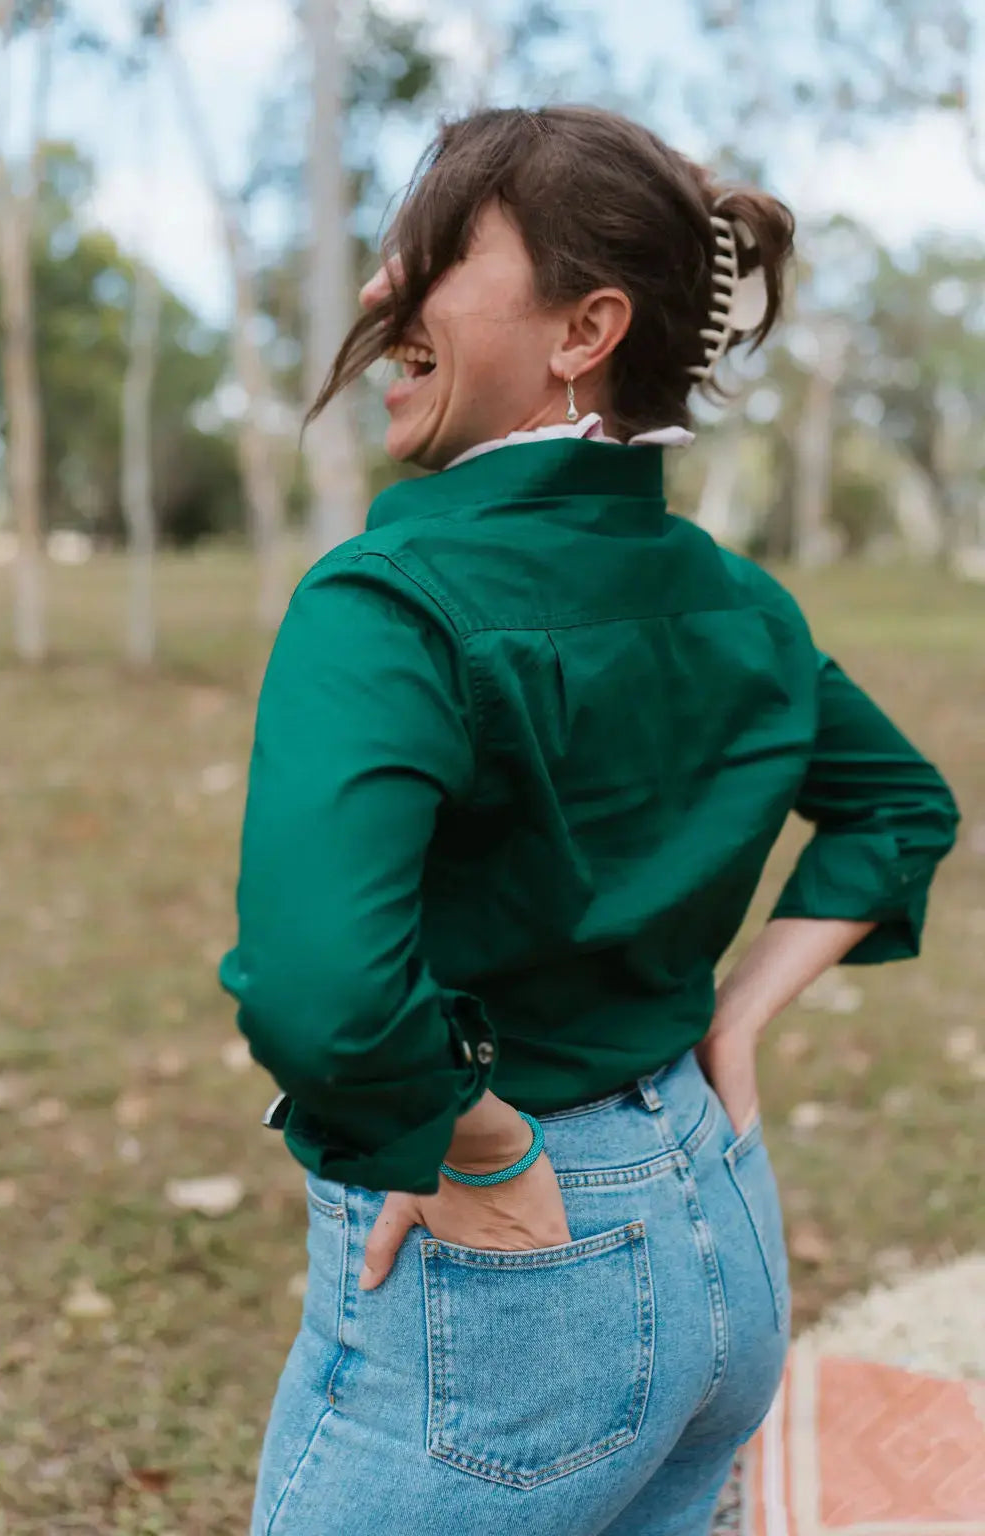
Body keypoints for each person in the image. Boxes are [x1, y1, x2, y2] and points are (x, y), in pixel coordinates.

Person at [219, 107, 959, 1536]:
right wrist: (733, 1021)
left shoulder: (387, 598)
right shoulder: (738, 600)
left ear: (586, 330)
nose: (380, 286)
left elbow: (324, 996)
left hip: (516, 1279)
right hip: (724, 1228)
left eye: (435, 255)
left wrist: (471, 1142)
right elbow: (899, 809)